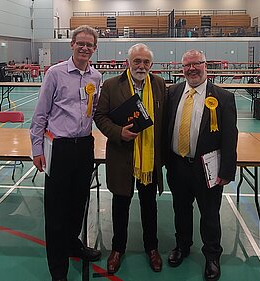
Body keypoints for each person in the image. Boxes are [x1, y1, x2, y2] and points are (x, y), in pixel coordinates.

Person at [30, 25, 102, 281]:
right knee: (56, 210)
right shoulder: (55, 73)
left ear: (94, 49)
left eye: (89, 45)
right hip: (58, 148)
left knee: (77, 204)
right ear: (72, 44)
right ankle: (57, 267)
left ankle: (73, 244)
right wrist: (36, 149)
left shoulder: (96, 77)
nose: (84, 48)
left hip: (84, 147)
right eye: (80, 43)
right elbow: (40, 114)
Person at [164, 49, 238, 281]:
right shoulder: (172, 92)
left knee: (210, 213)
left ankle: (212, 256)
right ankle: (182, 246)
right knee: (181, 209)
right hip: (177, 165)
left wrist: (227, 170)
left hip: (207, 167)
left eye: (197, 64)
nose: (192, 69)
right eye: (187, 65)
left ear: (206, 66)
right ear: (181, 68)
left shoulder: (223, 97)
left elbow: (229, 137)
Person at [93, 43, 166, 274]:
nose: (141, 66)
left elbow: (165, 119)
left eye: (146, 62)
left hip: (149, 159)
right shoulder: (113, 85)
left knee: (149, 205)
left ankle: (152, 248)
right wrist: (118, 133)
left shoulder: (159, 84)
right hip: (122, 155)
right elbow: (100, 116)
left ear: (151, 65)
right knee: (120, 205)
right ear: (128, 62)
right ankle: (118, 248)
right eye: (137, 61)